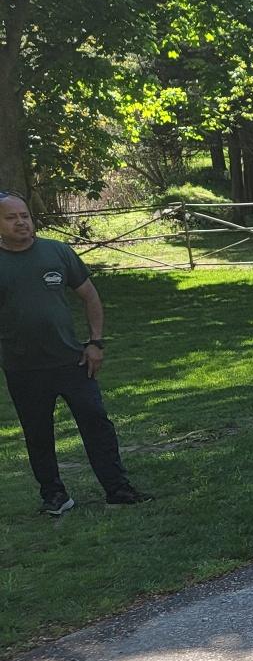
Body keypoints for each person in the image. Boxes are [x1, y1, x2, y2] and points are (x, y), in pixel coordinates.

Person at [0, 190, 149, 515]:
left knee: (96, 423)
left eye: (24, 215)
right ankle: (55, 496)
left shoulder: (57, 252)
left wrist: (95, 343)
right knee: (38, 433)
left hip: (72, 361)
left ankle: (118, 489)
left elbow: (90, 297)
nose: (21, 222)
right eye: (11, 218)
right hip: (23, 368)